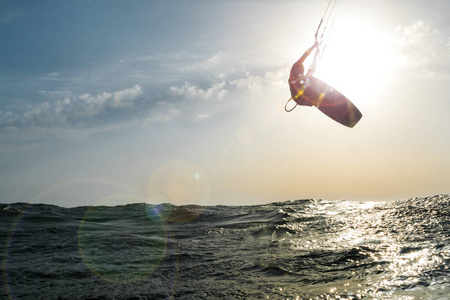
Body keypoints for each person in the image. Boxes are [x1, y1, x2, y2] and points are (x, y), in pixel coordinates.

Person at [288, 41, 320, 106]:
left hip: (301, 98)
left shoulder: (300, 77)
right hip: (299, 99)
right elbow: (305, 55)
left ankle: (313, 99)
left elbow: (313, 68)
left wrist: (316, 53)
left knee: (310, 77)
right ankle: (314, 99)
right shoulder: (295, 67)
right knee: (310, 79)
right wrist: (314, 47)